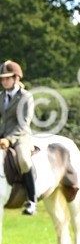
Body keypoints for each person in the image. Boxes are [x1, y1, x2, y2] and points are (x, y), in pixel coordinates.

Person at [0, 59, 37, 215]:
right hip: (3, 135)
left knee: (23, 160)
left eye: (7, 78)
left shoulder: (26, 97)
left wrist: (9, 139)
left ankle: (32, 200)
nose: (4, 81)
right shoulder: (1, 96)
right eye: (2, 78)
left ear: (16, 78)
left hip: (21, 136)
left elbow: (24, 122)